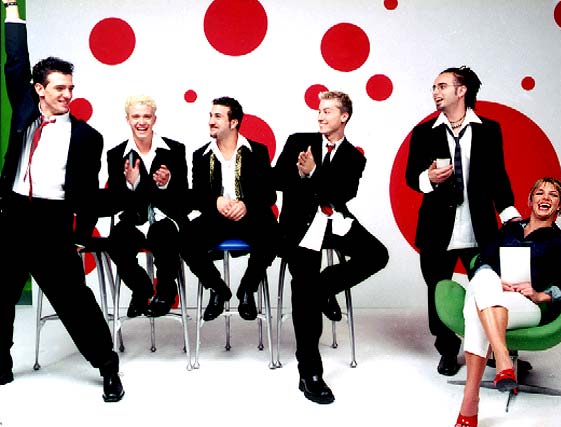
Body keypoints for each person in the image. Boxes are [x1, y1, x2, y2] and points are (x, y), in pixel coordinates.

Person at [0, 1, 123, 402]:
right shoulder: (24, 110)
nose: (68, 94)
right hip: (13, 213)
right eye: (59, 88)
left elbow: (86, 193)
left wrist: (82, 234)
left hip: (53, 221)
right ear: (39, 89)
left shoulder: (87, 137)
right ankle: (1, 362)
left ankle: (107, 367)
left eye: (71, 88)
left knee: (75, 302)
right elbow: (16, 62)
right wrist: (11, 10)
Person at [274, 90, 389, 404]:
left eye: (328, 111)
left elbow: (342, 195)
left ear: (344, 116)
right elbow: (276, 179)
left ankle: (325, 287)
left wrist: (314, 172)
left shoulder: (354, 156)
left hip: (335, 222)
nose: (321, 116)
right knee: (304, 288)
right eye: (319, 111)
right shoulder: (299, 141)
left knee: (377, 255)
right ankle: (309, 370)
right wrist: (301, 172)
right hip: (300, 228)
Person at [405, 66, 521, 377]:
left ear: (462, 90)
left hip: (478, 228)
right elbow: (411, 177)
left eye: (442, 86)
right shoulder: (423, 133)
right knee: (438, 292)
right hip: (436, 229)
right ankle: (447, 350)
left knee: (490, 291)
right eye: (433, 87)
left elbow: (498, 177)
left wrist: (509, 213)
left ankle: (496, 349)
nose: (435, 92)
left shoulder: (489, 130)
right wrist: (428, 178)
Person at [454, 177, 561, 427]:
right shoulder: (510, 229)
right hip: (493, 294)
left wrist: (541, 294)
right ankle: (501, 363)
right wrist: (496, 280)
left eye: (553, 195)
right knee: (485, 278)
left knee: (476, 307)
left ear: (560, 205)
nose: (545, 198)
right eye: (540, 193)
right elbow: (482, 260)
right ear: (530, 200)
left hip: (524, 305)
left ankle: (471, 398)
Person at [179, 96, 278, 322]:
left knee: (273, 235)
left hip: (250, 216)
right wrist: (215, 201)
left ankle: (247, 289)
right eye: (210, 115)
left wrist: (246, 204)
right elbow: (197, 196)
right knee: (185, 239)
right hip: (216, 219)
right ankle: (217, 289)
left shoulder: (257, 151)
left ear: (234, 122)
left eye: (218, 116)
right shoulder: (200, 155)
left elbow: (269, 195)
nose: (211, 121)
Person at [104, 95, 188, 318]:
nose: (141, 122)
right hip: (134, 218)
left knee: (163, 235)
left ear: (154, 119)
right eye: (136, 117)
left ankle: (166, 291)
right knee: (116, 243)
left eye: (146, 116)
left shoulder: (175, 149)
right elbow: (116, 200)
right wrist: (132, 185)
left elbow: (183, 198)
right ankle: (141, 289)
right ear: (128, 119)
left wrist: (167, 183)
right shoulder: (116, 154)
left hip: (165, 218)